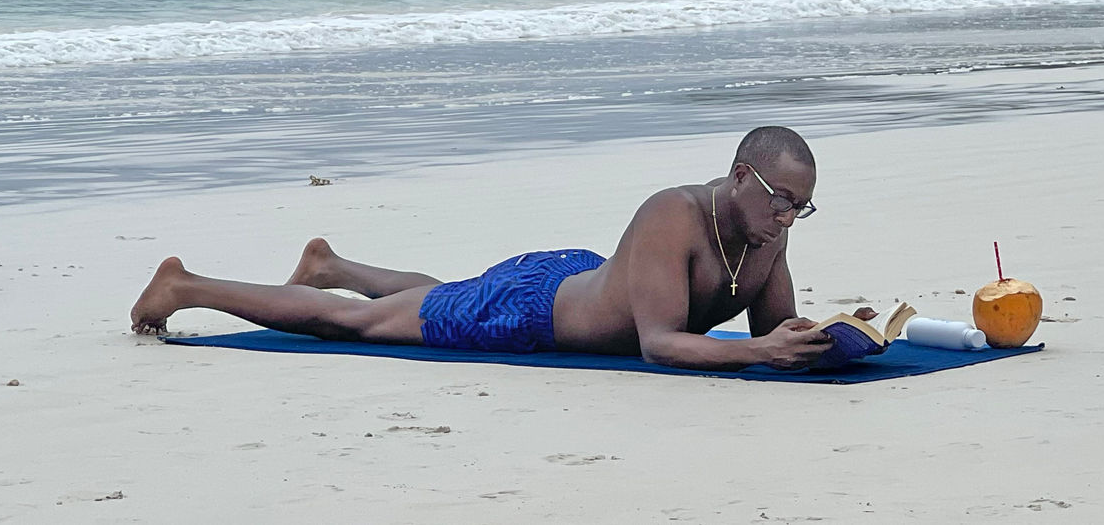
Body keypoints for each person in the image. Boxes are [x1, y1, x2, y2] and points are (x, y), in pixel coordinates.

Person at [130, 126, 876, 371]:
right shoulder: (673, 216)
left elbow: (772, 329)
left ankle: (333, 265)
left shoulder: (764, 230)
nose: (789, 217)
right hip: (531, 310)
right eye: (781, 200)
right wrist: (762, 353)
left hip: (579, 280)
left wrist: (830, 336)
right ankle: (185, 285)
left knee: (441, 298)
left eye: (800, 206)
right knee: (355, 323)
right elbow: (659, 344)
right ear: (741, 176)